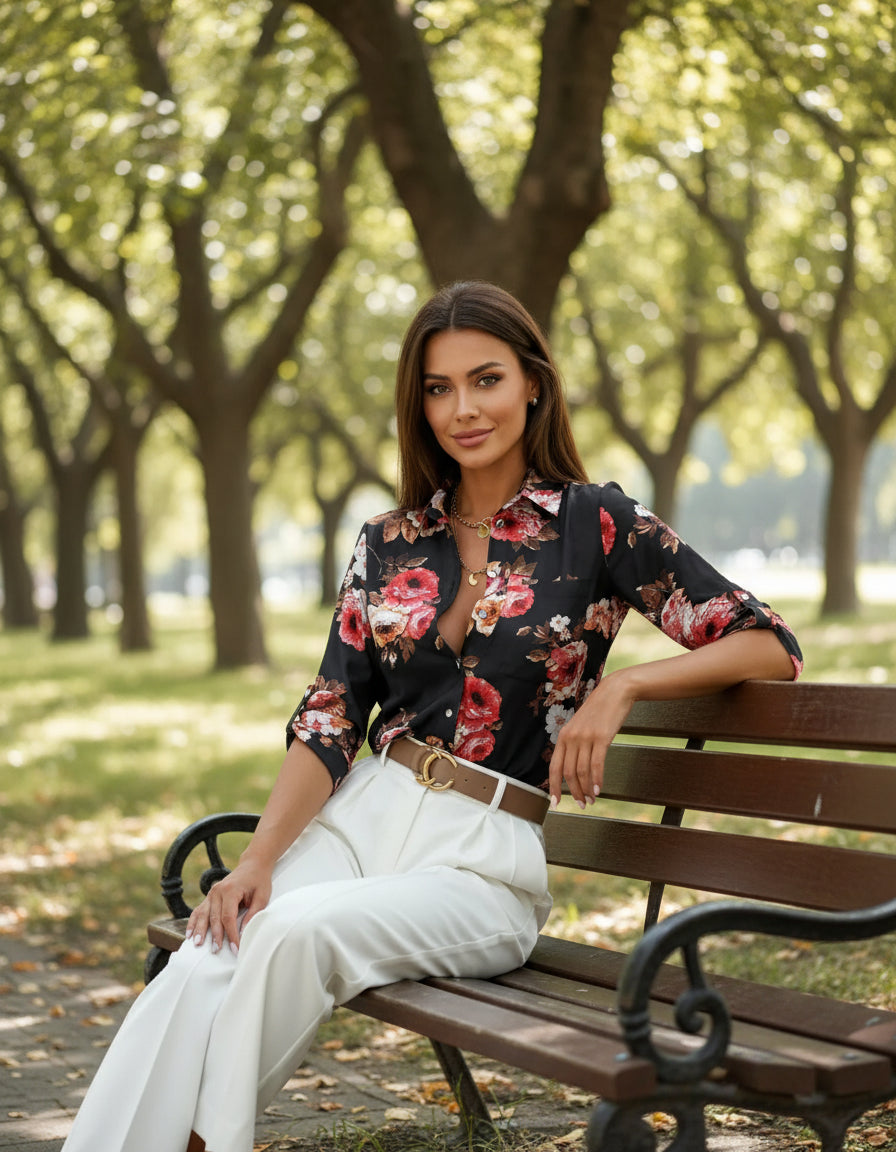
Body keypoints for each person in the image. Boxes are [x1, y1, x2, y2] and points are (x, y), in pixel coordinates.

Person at [61, 281, 802, 1152]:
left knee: (294, 934)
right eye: (438, 388)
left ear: (533, 383)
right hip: (363, 818)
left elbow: (767, 644)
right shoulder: (389, 539)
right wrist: (257, 859)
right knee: (210, 954)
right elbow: (332, 712)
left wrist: (622, 688)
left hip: (483, 859)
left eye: (485, 380)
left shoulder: (595, 524)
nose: (464, 409)